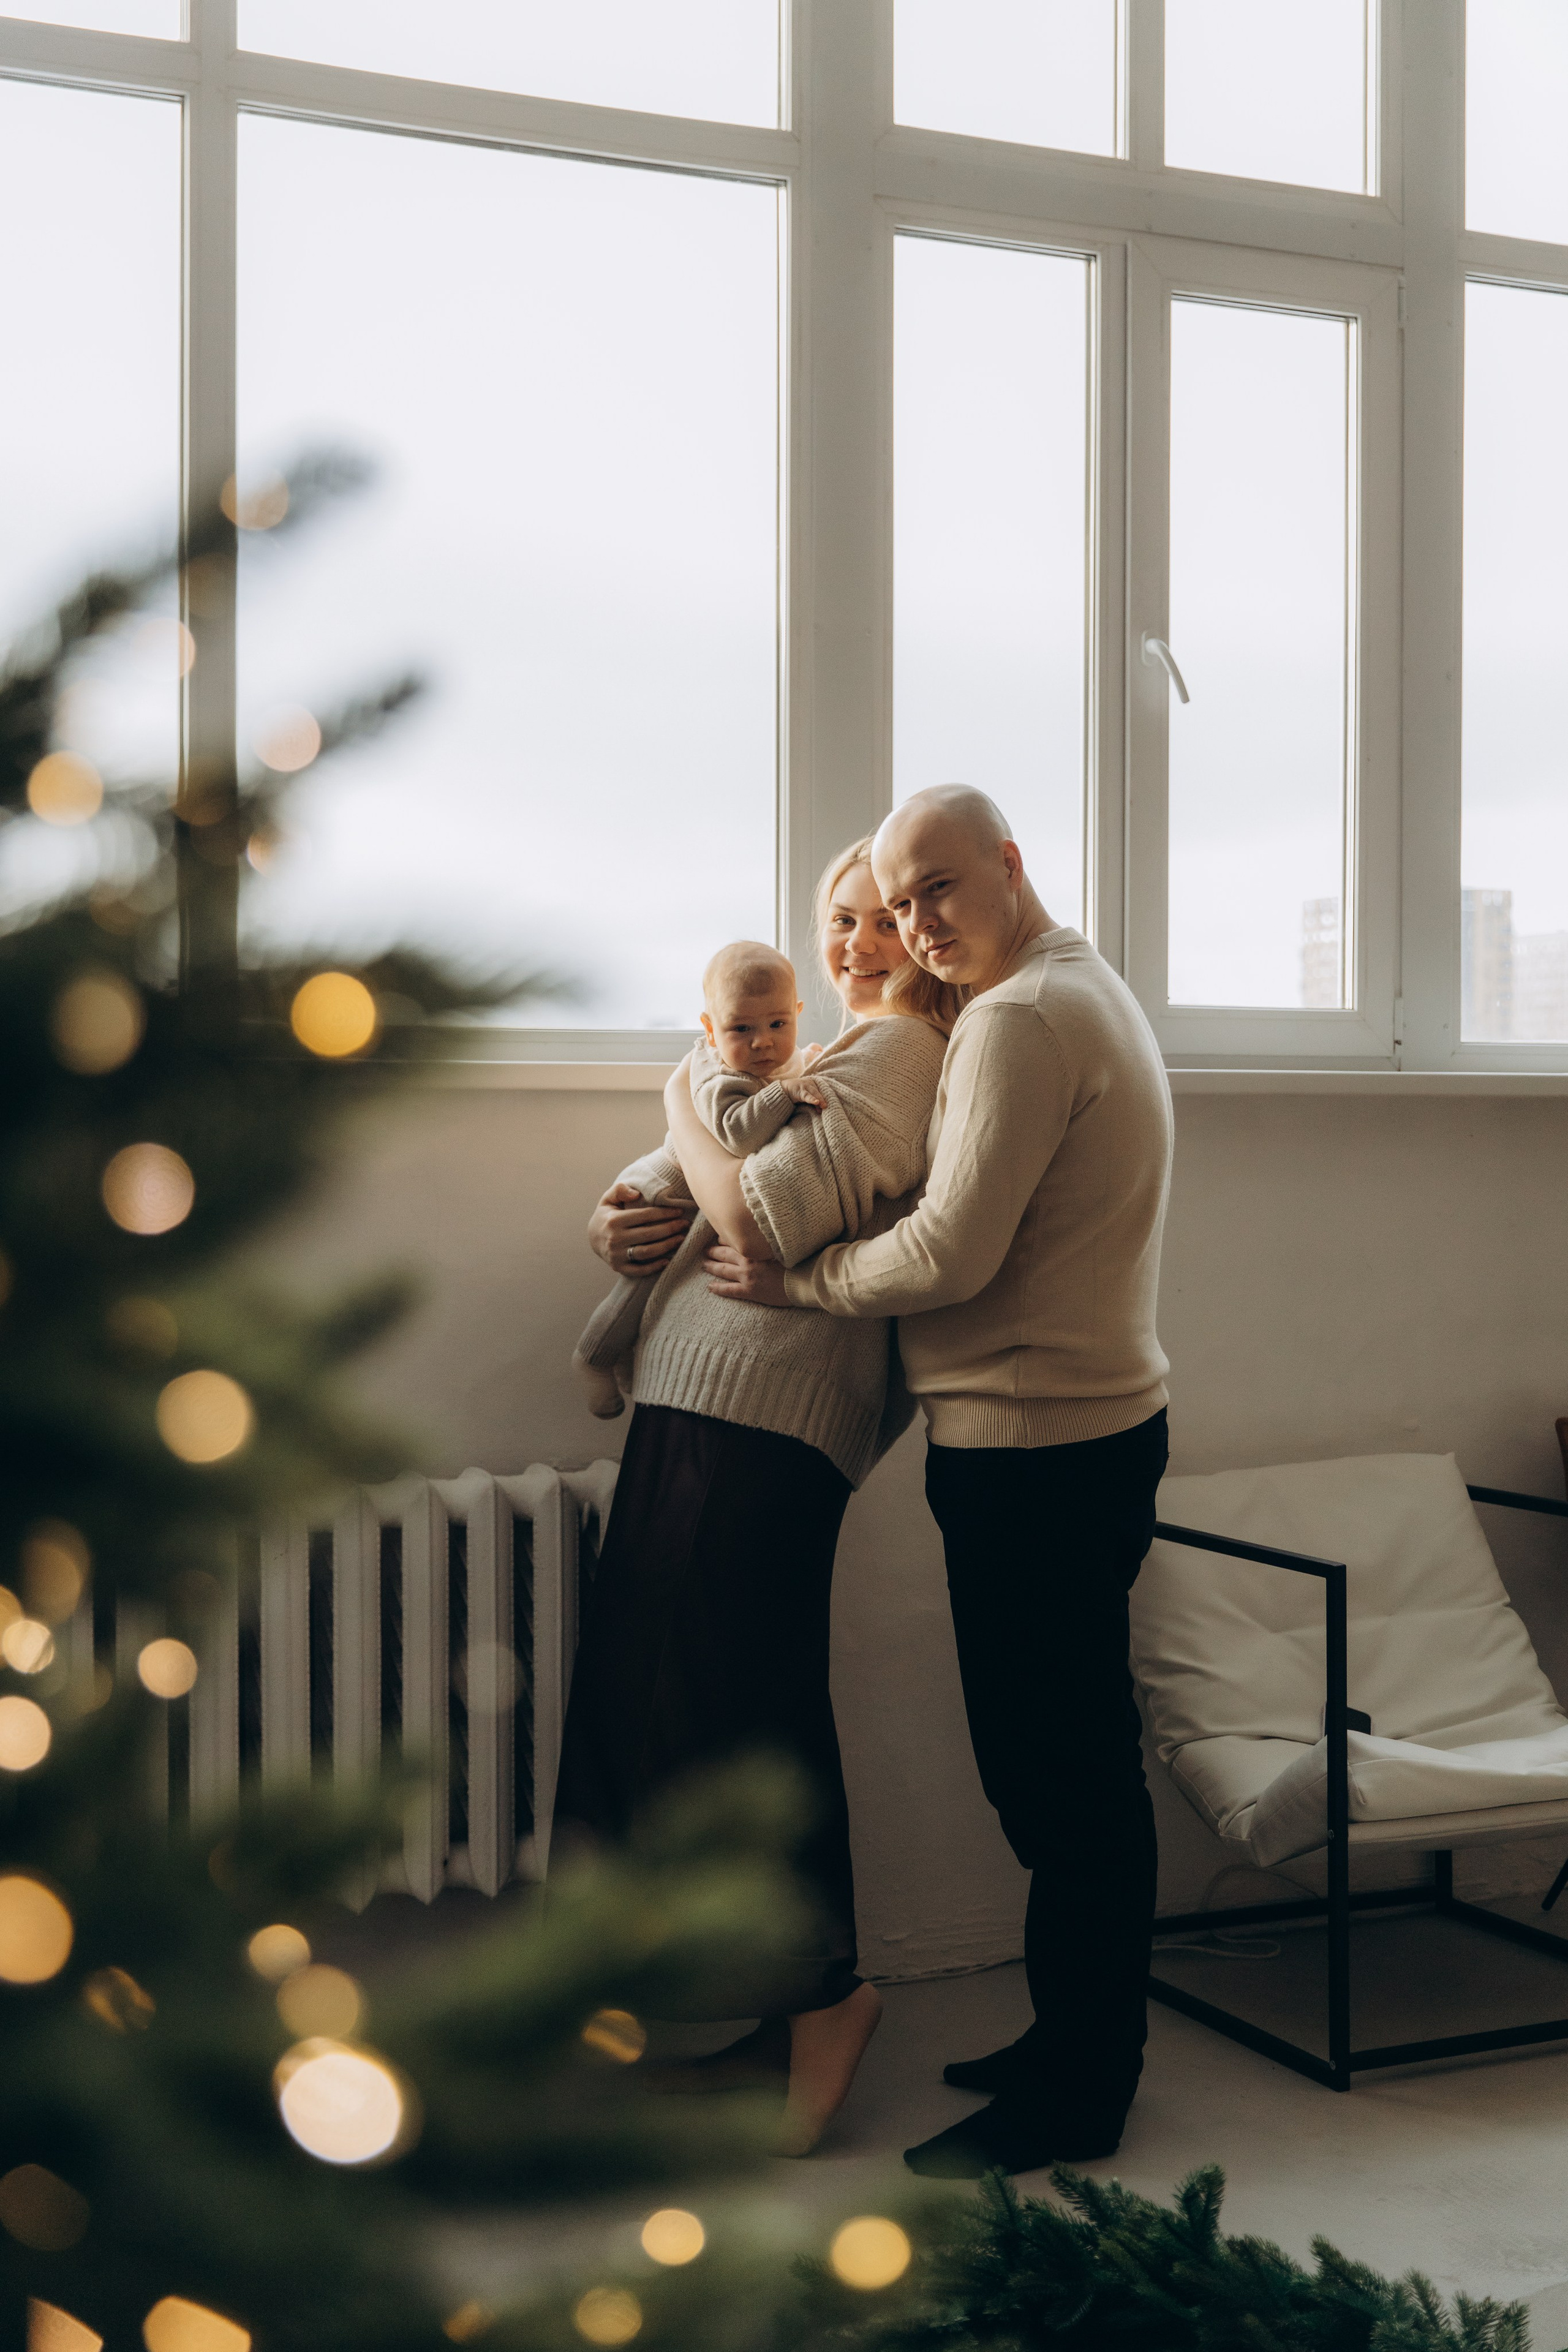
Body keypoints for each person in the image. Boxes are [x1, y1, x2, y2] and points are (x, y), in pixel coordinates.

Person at [706, 784, 1174, 2179]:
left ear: (1011, 866)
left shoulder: (1026, 1019)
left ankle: (1078, 2092)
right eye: (896, 905)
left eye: (935, 892)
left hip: (1039, 1448)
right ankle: (1064, 2044)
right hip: (1067, 1435)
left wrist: (803, 1283)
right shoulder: (1067, 987)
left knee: (1064, 1783)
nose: (912, 925)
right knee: (1053, 1776)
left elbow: (951, 1254)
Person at [556, 839, 960, 2157]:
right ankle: (777, 2010)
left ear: (922, 931)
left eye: (880, 920)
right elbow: (694, 1196)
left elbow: (764, 1222)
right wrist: (627, 1220)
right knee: (671, 1704)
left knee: (731, 1712)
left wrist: (685, 1087)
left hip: (765, 1424)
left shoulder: (897, 1054)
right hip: (700, 1398)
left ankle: (830, 1997)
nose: (852, 946)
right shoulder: (822, 1064)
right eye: (836, 921)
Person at [571, 941, 827, 1417]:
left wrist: (807, 1067)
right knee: (640, 1287)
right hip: (662, 1189)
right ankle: (593, 1355)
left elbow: (794, 1071)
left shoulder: (777, 1061)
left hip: (694, 1188)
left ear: (797, 1012)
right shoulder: (715, 1072)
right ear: (710, 1029)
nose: (762, 1042)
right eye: (741, 1028)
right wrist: (788, 1093)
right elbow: (738, 1132)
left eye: (778, 1024)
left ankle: (624, 1361)